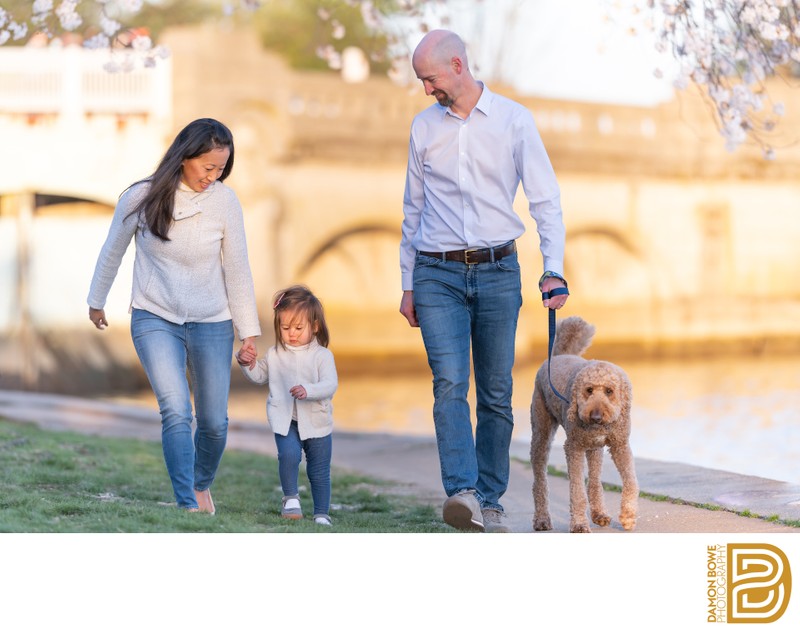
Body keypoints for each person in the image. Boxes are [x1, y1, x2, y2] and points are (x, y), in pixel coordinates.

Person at [399, 30, 569, 533]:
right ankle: (463, 493)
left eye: (429, 79)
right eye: (421, 82)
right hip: (436, 272)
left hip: (499, 271)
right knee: (450, 383)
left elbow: (545, 199)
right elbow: (413, 209)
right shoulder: (423, 128)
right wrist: (407, 283)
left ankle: (490, 497)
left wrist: (552, 267)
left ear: (456, 64)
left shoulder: (515, 121)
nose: (426, 90)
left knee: (495, 390)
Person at [87, 118, 261, 514]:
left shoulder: (225, 201)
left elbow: (236, 267)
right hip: (155, 316)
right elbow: (112, 250)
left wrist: (247, 331)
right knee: (176, 409)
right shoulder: (140, 197)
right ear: (185, 157)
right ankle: (186, 505)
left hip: (211, 319)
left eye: (221, 169)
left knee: (214, 422)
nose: (213, 176)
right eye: (207, 167)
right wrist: (97, 300)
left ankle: (200, 484)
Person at [236, 285, 337, 527]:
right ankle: (290, 498)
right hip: (285, 419)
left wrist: (308, 390)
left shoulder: (322, 356)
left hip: (317, 422)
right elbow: (260, 376)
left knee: (319, 469)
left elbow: (330, 384)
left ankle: (322, 513)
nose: (291, 333)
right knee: (289, 455)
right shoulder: (274, 354)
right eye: (285, 328)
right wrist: (246, 363)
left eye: (298, 328)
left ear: (314, 326)